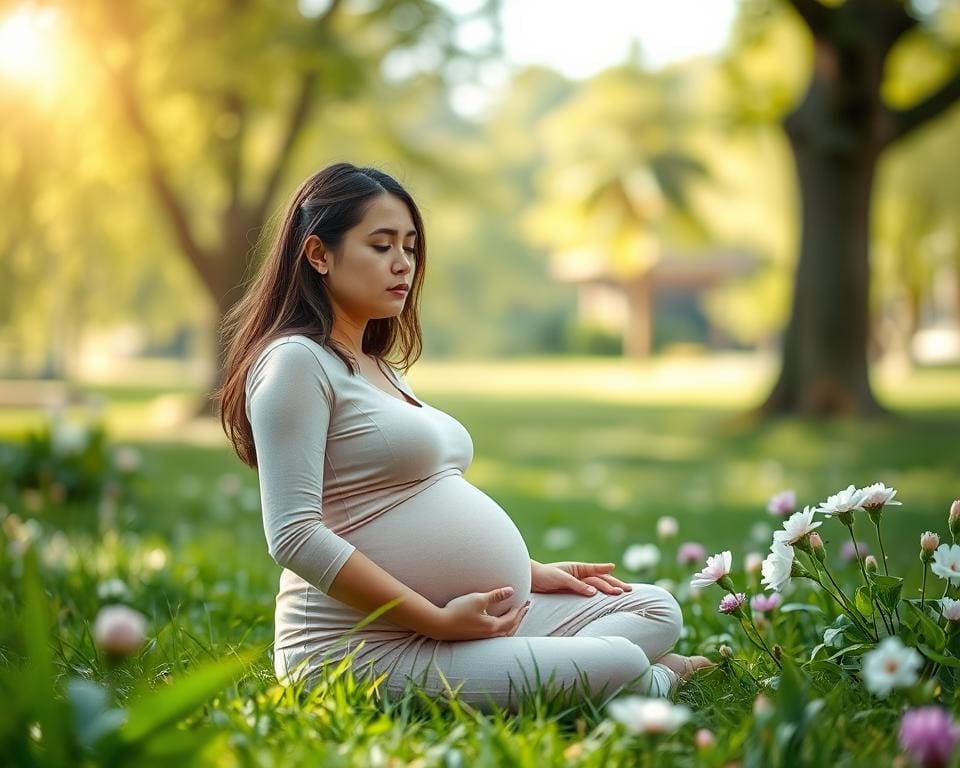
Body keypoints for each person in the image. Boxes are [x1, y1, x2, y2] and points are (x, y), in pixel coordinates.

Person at [215, 161, 711, 713]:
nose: (402, 263)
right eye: (380, 246)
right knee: (618, 660)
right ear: (319, 255)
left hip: (447, 621)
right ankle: (642, 680)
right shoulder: (295, 363)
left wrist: (525, 574)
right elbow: (294, 535)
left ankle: (578, 669)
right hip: (356, 649)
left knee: (657, 609)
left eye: (409, 246)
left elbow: (393, 504)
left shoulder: (377, 365)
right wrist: (435, 621)